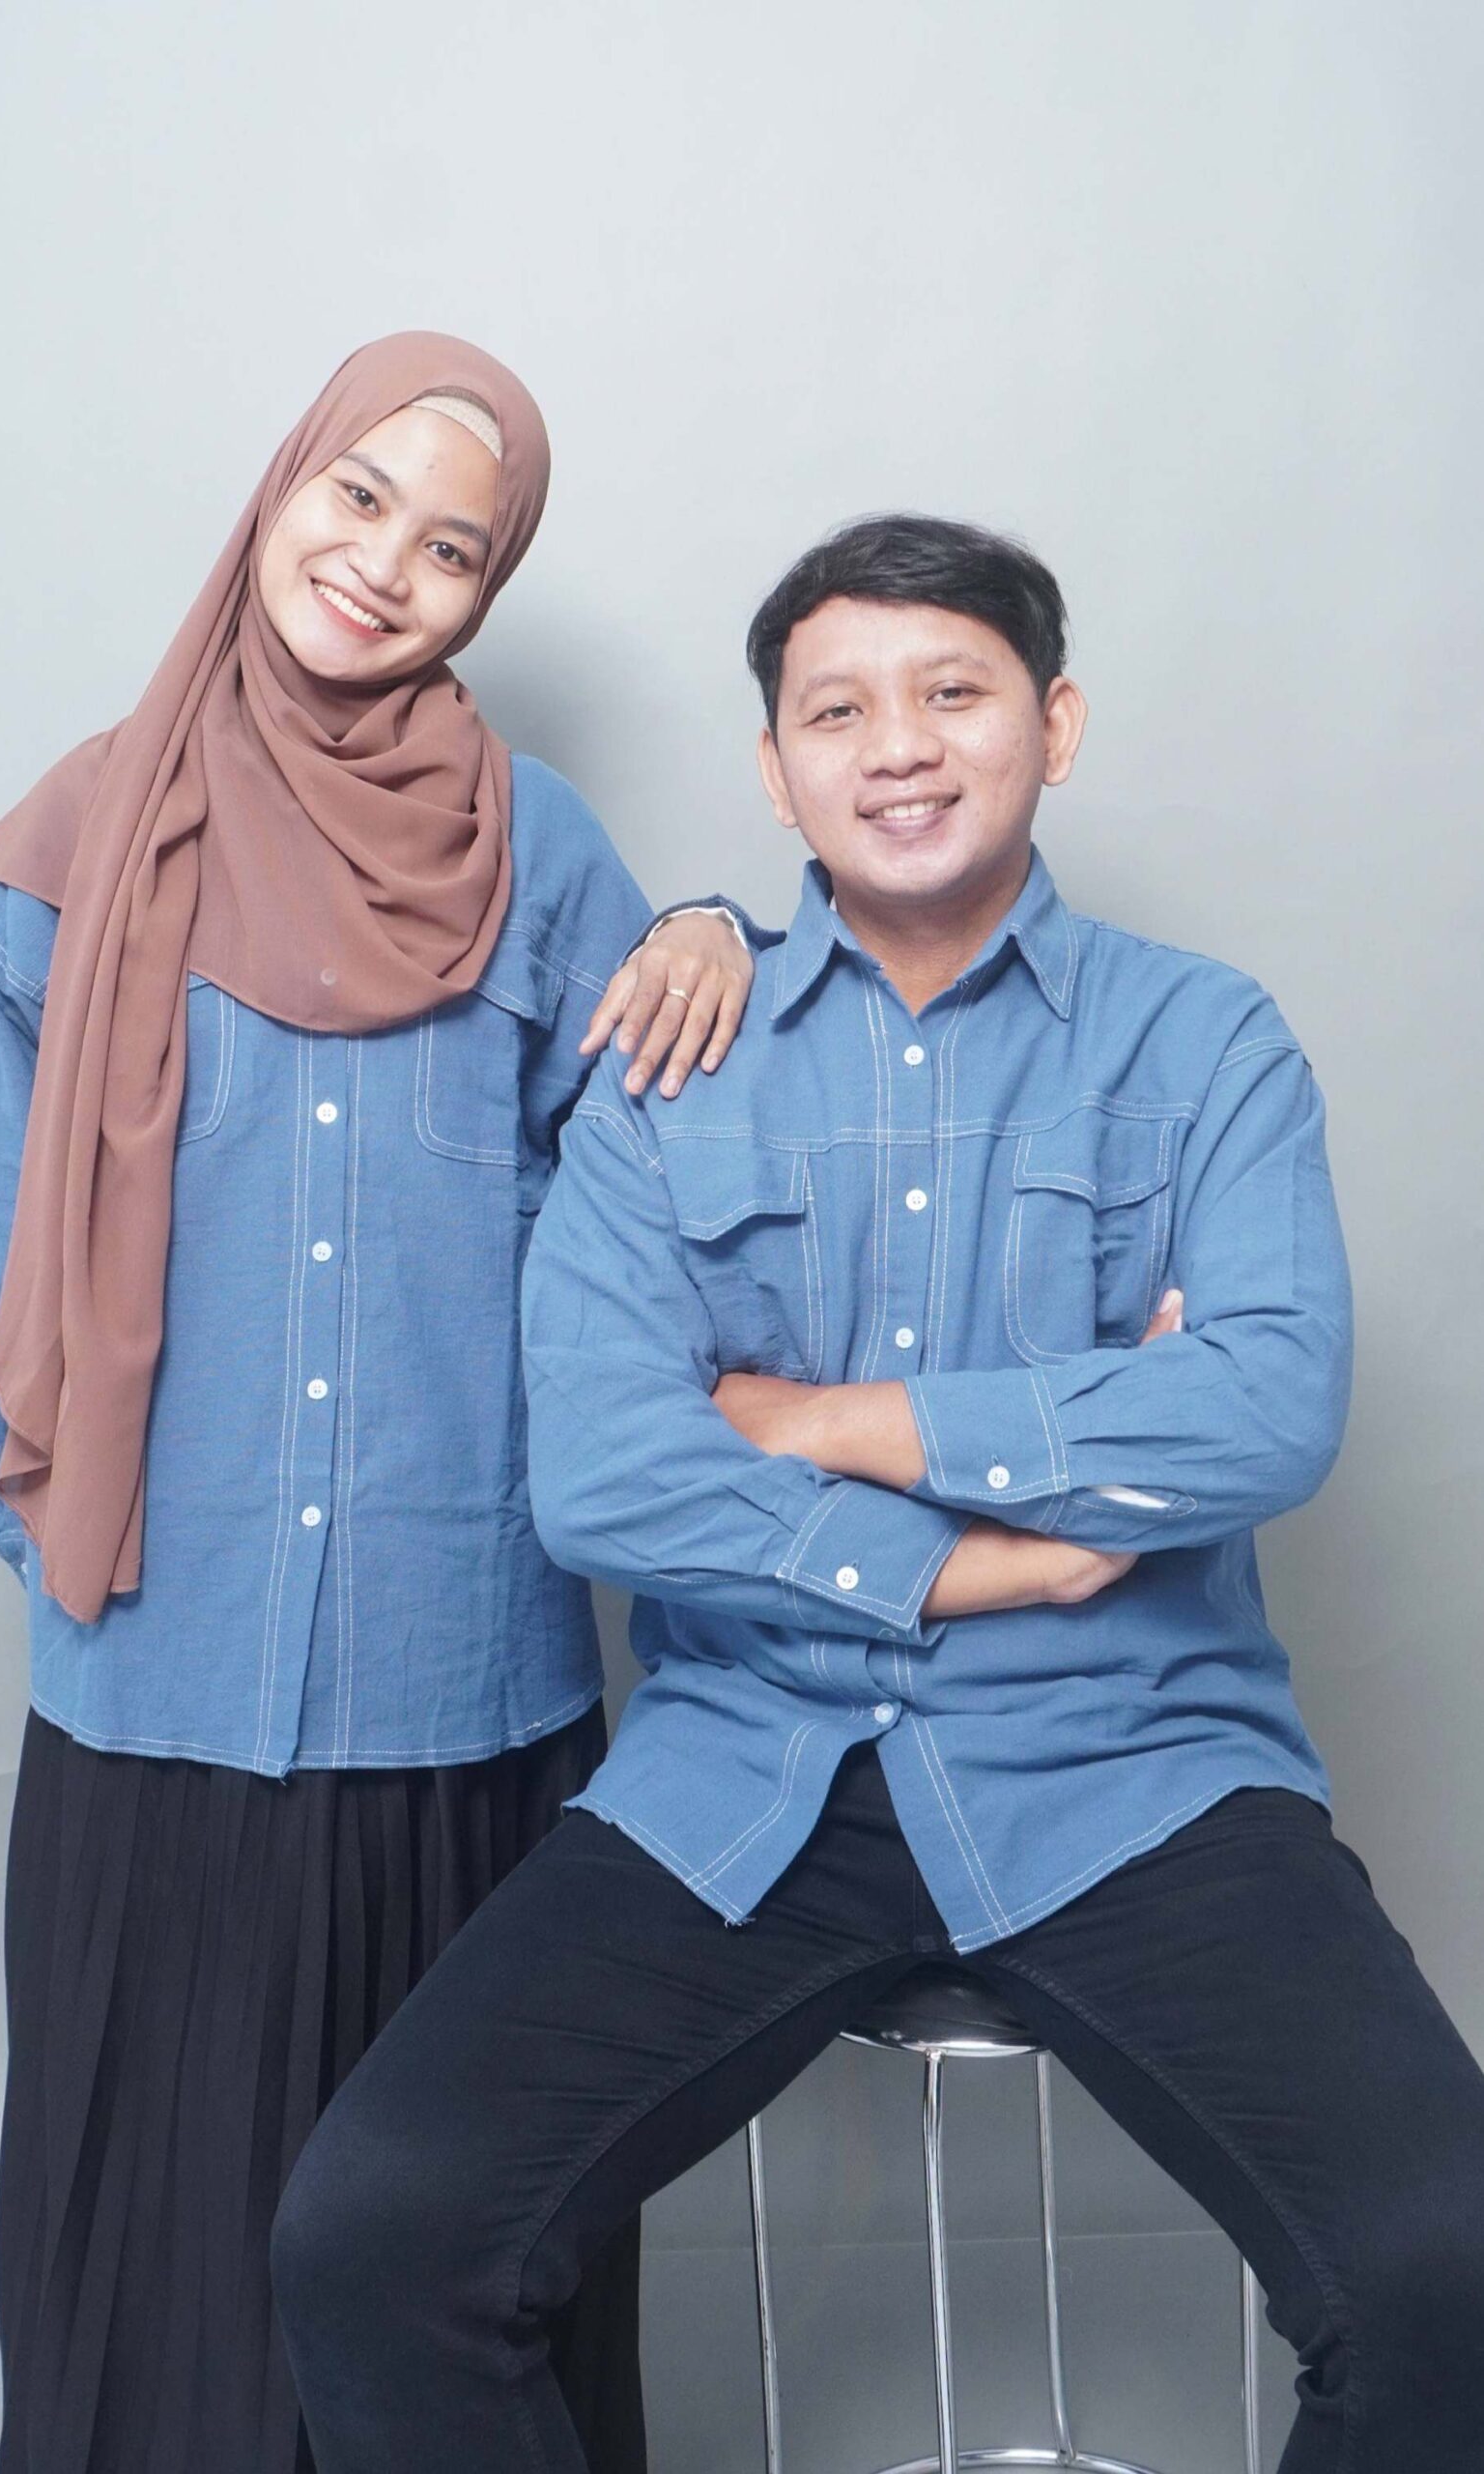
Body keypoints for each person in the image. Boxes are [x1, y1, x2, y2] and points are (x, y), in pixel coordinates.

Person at [270, 514, 1484, 2474]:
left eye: (952, 692)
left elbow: (1264, 1407)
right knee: (374, 2241)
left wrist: (824, 1421)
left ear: (1052, 724)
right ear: (775, 770)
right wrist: (993, 1559)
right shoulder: (667, 1067)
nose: (897, 746)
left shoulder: (1204, 1042)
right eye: (835, 711)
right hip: (749, 1774)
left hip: (1137, 1767)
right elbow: (601, 1475)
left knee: (1449, 2270)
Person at [0, 331, 759, 2474]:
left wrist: (728, 929)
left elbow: (673, 1212)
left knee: (453, 2275)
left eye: (452, 547)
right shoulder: (80, 837)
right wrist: (95, 1561)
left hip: (461, 1691)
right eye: (358, 496)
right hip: (156, 1678)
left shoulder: (544, 855)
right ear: (282, 488)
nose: (385, 564)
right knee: (158, 2266)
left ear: (487, 592)